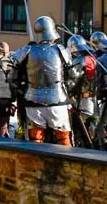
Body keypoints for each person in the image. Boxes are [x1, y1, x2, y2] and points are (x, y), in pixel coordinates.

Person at [17, 16, 74, 146]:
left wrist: (20, 90)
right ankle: (66, 164)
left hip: (33, 99)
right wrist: (68, 89)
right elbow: (73, 74)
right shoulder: (60, 50)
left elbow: (12, 74)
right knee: (63, 138)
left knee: (36, 139)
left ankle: (36, 165)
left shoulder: (28, 50)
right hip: (58, 99)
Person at [66, 35, 101, 147]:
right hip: (94, 101)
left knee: (79, 134)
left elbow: (72, 81)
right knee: (93, 133)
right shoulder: (94, 59)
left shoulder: (80, 60)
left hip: (81, 103)